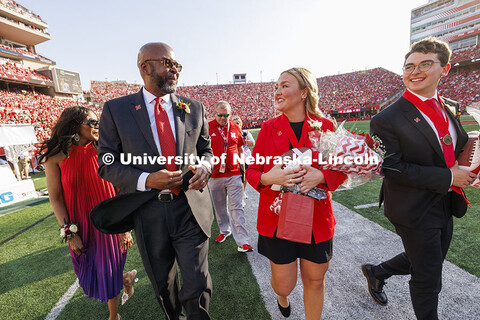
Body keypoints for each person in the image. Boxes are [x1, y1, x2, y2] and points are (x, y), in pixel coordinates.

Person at [97, 42, 214, 320]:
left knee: (197, 283)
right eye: (168, 64)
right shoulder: (116, 109)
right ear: (145, 67)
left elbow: (206, 150)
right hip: (148, 212)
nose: (175, 71)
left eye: (177, 66)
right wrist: (147, 179)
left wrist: (205, 167)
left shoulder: (194, 107)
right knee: (164, 286)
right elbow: (107, 163)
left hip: (190, 208)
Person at [362, 37, 476, 320]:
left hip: (446, 200)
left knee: (429, 261)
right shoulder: (386, 118)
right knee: (428, 278)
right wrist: (449, 177)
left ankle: (377, 272)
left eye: (425, 64)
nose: (414, 71)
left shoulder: (448, 106)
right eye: (409, 66)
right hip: (412, 206)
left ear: (444, 69)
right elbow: (391, 168)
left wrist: (470, 147)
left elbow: (449, 144)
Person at [246, 67, 346, 319]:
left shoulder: (326, 126)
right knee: (284, 284)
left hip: (316, 219)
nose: (278, 91)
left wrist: (322, 175)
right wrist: (270, 177)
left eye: (284, 85)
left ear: (303, 92)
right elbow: (252, 171)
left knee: (315, 280)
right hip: (278, 220)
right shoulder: (268, 128)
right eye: (276, 87)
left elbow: (343, 168)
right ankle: (282, 296)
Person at [39, 106, 137, 320]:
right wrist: (70, 234)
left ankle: (114, 316)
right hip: (79, 225)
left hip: (110, 222)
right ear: (75, 126)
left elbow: (121, 189)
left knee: (108, 269)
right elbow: (55, 198)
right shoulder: (56, 157)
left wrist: (125, 227)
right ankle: (126, 279)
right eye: (91, 122)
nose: (97, 126)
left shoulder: (107, 151)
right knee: (90, 271)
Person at [208, 102, 252, 252]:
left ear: (230, 114)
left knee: (237, 207)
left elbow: (240, 148)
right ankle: (224, 231)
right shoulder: (208, 127)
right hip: (215, 174)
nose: (223, 118)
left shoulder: (234, 127)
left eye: (226, 115)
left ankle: (242, 241)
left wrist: (241, 163)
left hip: (233, 173)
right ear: (214, 114)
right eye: (220, 115)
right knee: (220, 207)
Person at [231, 115, 255, 207]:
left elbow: (252, 143)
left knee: (245, 176)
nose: (236, 124)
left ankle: (243, 192)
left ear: (241, 124)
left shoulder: (245, 133)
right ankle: (238, 196)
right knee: (236, 177)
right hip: (234, 156)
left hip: (245, 155)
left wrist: (244, 140)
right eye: (234, 123)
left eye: (238, 123)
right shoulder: (230, 132)